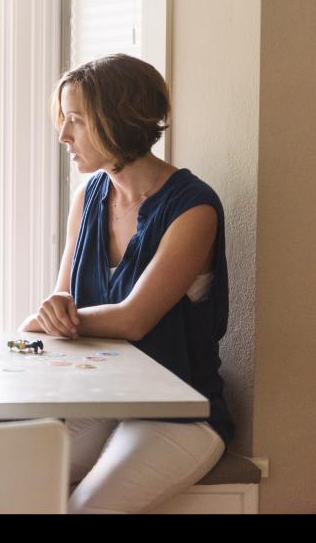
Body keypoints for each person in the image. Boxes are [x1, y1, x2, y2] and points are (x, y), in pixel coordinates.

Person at [19, 54, 235, 513]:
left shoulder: (194, 208)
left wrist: (57, 318)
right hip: (100, 401)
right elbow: (62, 305)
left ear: (117, 121)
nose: (63, 135)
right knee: (10, 480)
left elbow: (133, 320)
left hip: (181, 414)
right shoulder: (89, 196)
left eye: (75, 120)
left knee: (86, 509)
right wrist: (51, 315)